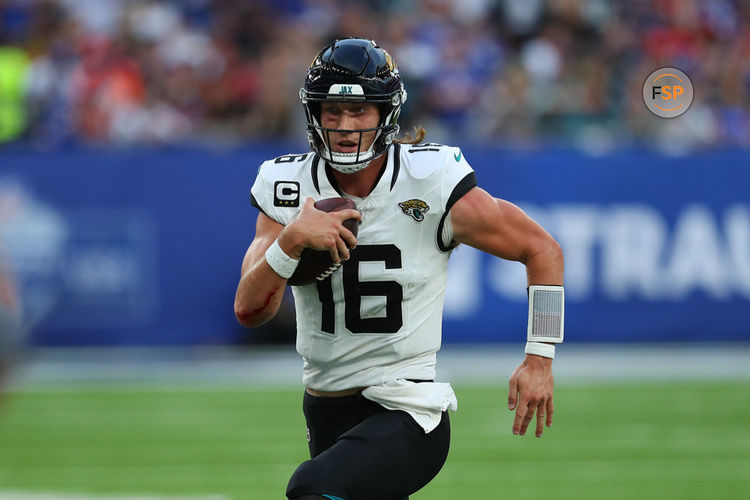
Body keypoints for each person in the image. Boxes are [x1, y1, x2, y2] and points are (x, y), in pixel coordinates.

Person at [234, 38, 564, 500]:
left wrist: (539, 357)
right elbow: (250, 309)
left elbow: (542, 250)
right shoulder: (287, 186)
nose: (345, 127)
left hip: (407, 408)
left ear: (386, 114)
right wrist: (290, 241)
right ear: (313, 114)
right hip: (324, 406)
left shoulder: (429, 182)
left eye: (361, 112)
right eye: (332, 112)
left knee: (310, 490)